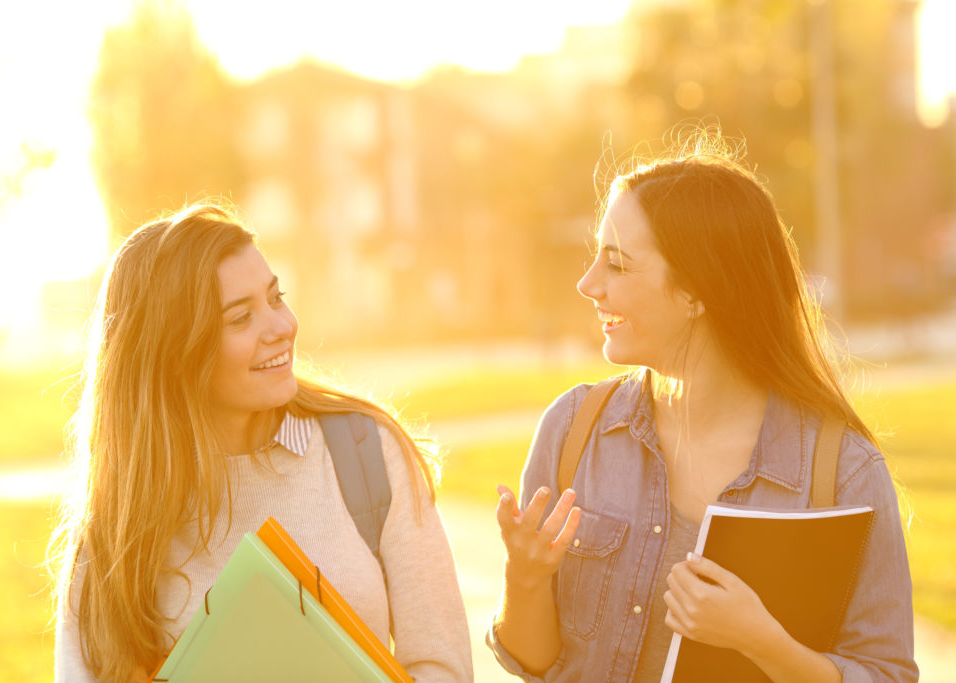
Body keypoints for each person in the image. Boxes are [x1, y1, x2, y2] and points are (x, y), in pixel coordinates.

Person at [488, 131, 918, 682]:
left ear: (696, 292)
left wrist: (761, 642)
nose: (587, 283)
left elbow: (889, 674)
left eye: (617, 264)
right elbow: (536, 665)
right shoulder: (573, 430)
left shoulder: (844, 472)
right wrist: (524, 576)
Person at [50, 204, 473, 682]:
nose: (282, 327)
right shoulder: (115, 528)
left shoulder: (367, 454)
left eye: (276, 298)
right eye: (240, 318)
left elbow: (445, 667)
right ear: (176, 355)